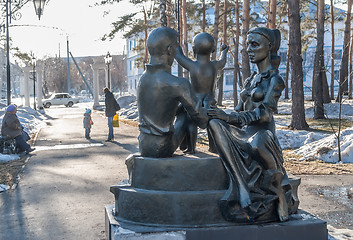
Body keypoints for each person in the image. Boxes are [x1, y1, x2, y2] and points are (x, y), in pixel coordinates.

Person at [207, 27, 293, 222]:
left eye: (255, 44)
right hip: (243, 133)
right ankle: (242, 187)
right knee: (214, 123)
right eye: (247, 45)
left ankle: (279, 194)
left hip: (263, 136)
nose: (248, 49)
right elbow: (238, 110)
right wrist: (219, 113)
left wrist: (231, 118)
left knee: (257, 142)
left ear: (269, 47)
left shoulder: (275, 80)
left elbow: (264, 114)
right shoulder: (250, 81)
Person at [137, 27, 209, 158]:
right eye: (177, 46)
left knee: (183, 111)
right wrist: (217, 114)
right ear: (170, 50)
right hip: (162, 147)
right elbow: (202, 120)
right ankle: (190, 149)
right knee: (186, 116)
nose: (177, 50)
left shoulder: (142, 79)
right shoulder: (178, 83)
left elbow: (159, 109)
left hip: (143, 145)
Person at [175, 32, 228, 153]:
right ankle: (213, 147)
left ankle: (191, 148)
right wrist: (224, 51)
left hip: (195, 100)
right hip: (210, 100)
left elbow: (179, 57)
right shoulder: (215, 65)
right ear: (213, 49)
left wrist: (176, 44)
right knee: (211, 124)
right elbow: (223, 61)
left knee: (191, 123)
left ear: (193, 49)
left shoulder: (192, 65)